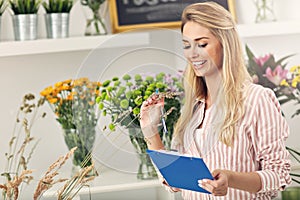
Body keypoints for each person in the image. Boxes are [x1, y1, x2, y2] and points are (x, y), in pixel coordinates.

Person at [140, 2, 291, 200]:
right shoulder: (193, 107)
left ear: (225, 44)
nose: (192, 53)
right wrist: (151, 134)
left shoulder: (256, 99)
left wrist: (231, 178)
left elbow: (279, 175)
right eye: (187, 45)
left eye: (202, 44)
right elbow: (175, 182)